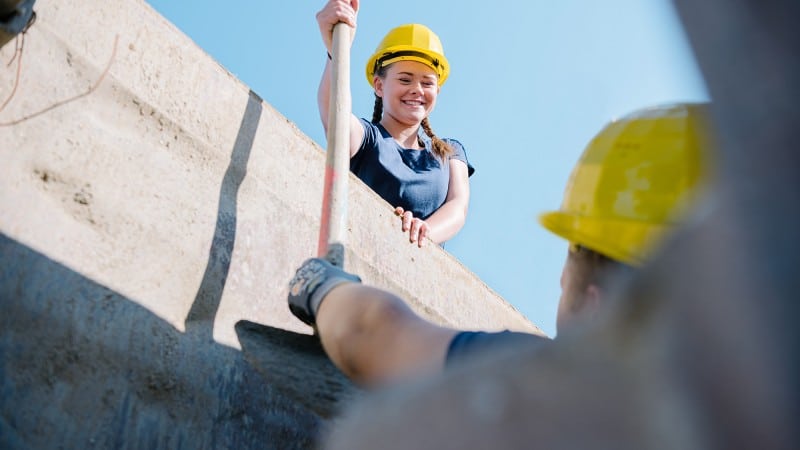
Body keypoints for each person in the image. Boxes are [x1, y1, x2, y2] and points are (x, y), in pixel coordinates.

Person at [288, 102, 713, 387]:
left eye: (570, 258)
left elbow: (376, 335)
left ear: (598, 307)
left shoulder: (545, 384)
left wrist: (324, 289)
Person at [316, 0, 474, 247]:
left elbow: (458, 207)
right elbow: (334, 115)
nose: (416, 90)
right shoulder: (368, 139)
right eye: (405, 79)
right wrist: (336, 51)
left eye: (427, 83)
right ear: (379, 86)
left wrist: (423, 231)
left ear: (438, 91)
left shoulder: (450, 152)